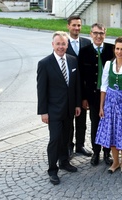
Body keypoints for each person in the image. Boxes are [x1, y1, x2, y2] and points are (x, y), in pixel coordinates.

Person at [37, 31, 81, 185]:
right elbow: (41, 90)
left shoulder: (73, 60)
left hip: (69, 109)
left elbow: (75, 86)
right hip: (53, 110)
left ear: (67, 45)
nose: (61, 47)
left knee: (66, 137)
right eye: (58, 44)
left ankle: (64, 162)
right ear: (53, 45)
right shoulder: (44, 64)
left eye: (63, 44)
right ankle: (52, 170)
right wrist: (43, 112)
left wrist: (77, 104)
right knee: (55, 139)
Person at [95, 36, 122, 174]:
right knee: (112, 132)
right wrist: (101, 106)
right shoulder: (109, 64)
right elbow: (103, 86)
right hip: (110, 102)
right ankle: (115, 161)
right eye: (117, 48)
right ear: (114, 49)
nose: (119, 51)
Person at [78, 23, 114, 166]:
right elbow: (81, 78)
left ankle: (107, 152)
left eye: (101, 33)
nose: (98, 36)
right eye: (95, 33)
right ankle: (96, 152)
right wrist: (84, 98)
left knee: (108, 124)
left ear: (105, 33)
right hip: (92, 96)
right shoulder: (84, 51)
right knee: (95, 124)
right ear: (91, 34)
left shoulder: (112, 49)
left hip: (110, 95)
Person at [66, 15, 92, 158]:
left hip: (83, 90)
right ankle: (69, 146)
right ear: (68, 26)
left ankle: (80, 145)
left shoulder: (87, 43)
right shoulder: (64, 44)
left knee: (81, 120)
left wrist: (87, 95)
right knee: (69, 120)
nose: (76, 28)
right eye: (74, 25)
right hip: (69, 90)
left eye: (79, 25)